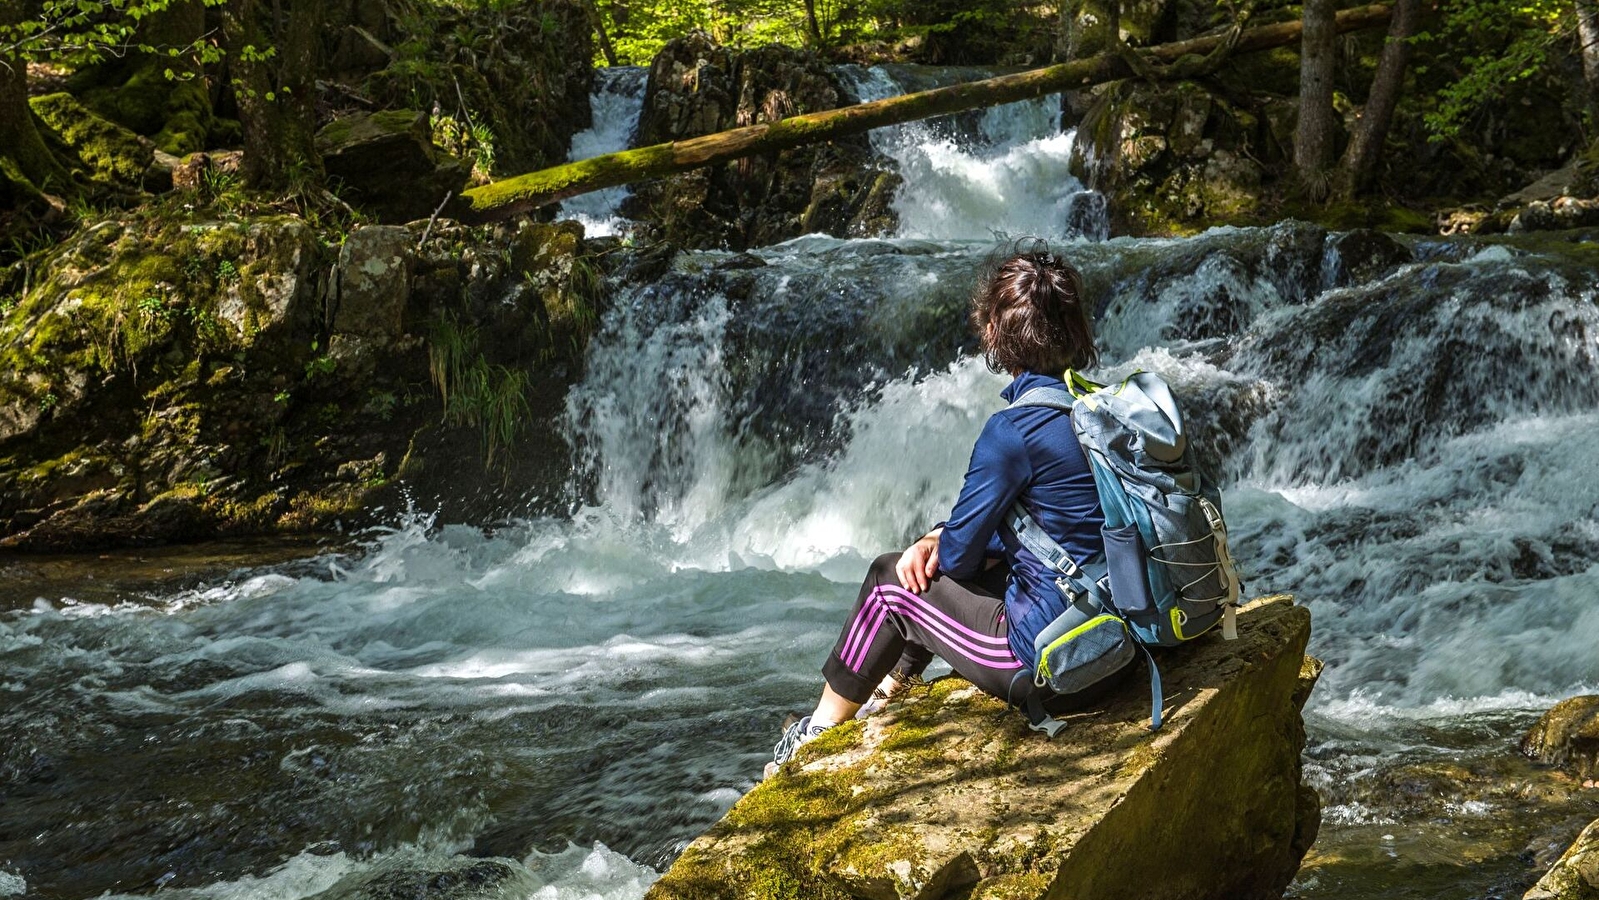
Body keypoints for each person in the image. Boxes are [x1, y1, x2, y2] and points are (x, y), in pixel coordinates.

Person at [768, 243, 1113, 778]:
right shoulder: (1098, 408)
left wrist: (935, 540)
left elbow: (957, 560)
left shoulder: (1013, 430)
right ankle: (889, 696)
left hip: (1058, 663)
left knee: (891, 578)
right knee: (953, 566)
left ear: (995, 334)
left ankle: (814, 738)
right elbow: (1058, 529)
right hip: (1123, 640)